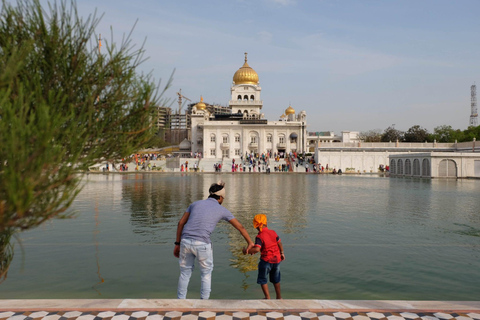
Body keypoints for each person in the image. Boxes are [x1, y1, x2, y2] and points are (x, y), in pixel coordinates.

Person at [174, 181, 254, 299]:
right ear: (220, 197)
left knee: (185, 273)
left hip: (185, 241)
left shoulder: (195, 204)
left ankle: (180, 302)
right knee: (205, 275)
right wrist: (250, 242)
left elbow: (181, 223)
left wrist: (177, 243)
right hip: (202, 244)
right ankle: (204, 304)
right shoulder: (222, 209)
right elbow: (240, 227)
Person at [243, 214, 285, 299]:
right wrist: (282, 253)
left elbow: (257, 249)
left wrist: (247, 251)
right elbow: (279, 243)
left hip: (266, 260)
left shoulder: (259, 236)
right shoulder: (273, 232)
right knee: (276, 279)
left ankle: (267, 297)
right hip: (277, 260)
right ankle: (279, 297)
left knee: (263, 279)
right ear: (266, 223)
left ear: (256, 226)